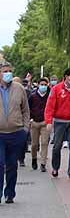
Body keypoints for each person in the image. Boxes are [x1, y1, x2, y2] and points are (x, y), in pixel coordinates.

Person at [45, 68, 70, 180]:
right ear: (66, 77)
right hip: (59, 122)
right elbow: (50, 106)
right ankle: (55, 167)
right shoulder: (56, 89)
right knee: (57, 146)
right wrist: (49, 121)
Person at [0, 63, 31, 203]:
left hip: (16, 133)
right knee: (0, 164)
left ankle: (10, 193)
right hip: (0, 134)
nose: (8, 74)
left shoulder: (19, 88)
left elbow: (25, 110)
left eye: (10, 71)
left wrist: (25, 129)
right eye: (5, 71)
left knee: (12, 164)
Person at [28, 78, 51, 171]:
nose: (43, 86)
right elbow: (28, 108)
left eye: (45, 85)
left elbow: (52, 109)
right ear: (38, 85)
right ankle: (34, 159)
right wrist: (30, 120)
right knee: (34, 144)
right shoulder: (33, 96)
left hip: (45, 122)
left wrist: (49, 120)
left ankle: (43, 163)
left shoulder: (49, 96)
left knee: (44, 143)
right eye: (41, 84)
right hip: (34, 122)